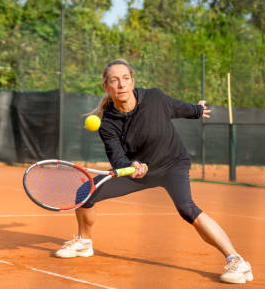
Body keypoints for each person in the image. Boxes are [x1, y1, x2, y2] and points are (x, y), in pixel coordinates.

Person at [55, 59, 253, 284]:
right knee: (85, 192)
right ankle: (84, 242)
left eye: (125, 78)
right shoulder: (107, 122)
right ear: (106, 87)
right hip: (138, 171)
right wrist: (130, 169)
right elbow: (118, 157)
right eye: (114, 80)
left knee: (187, 209)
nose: (121, 85)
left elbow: (178, 107)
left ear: (133, 81)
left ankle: (237, 260)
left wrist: (197, 110)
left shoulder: (154, 98)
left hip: (172, 165)